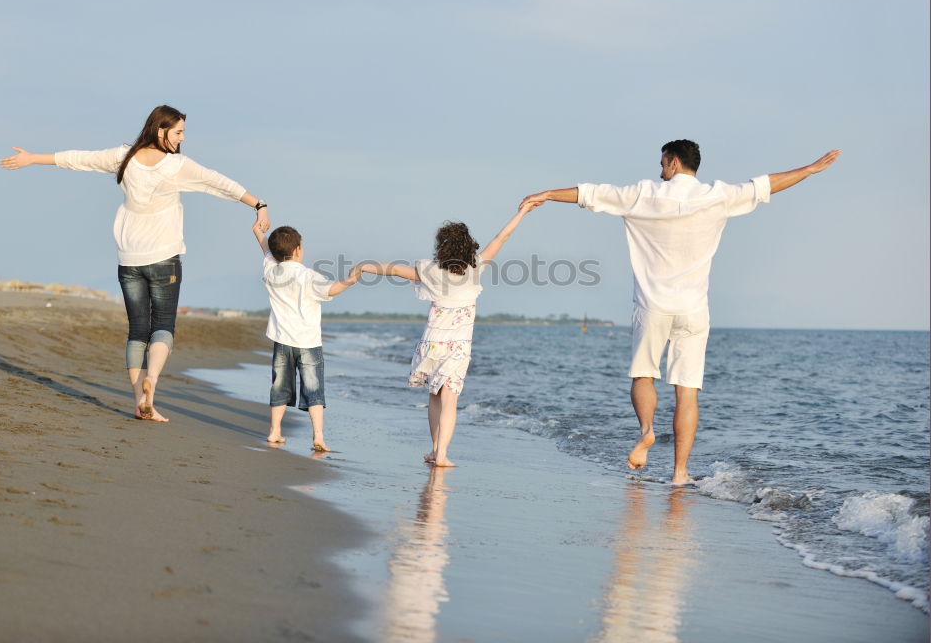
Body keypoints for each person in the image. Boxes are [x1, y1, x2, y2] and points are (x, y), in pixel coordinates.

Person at [522, 141, 840, 484]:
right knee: (686, 391)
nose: (659, 171)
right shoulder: (717, 195)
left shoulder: (643, 195)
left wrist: (548, 194)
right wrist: (809, 169)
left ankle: (646, 432)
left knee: (643, 375)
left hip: (652, 306)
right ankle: (679, 473)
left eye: (662, 164)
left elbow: (591, 193)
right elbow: (765, 185)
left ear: (673, 163)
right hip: (693, 309)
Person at [0, 105, 271, 423]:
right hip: (164, 258)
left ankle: (139, 401)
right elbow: (219, 182)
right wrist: (259, 204)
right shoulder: (177, 165)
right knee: (163, 327)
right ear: (161, 130)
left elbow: (78, 159)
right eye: (179, 132)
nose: (183, 138)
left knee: (137, 330)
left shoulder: (123, 156)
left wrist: (33, 158)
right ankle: (152, 384)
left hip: (128, 260)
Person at [359, 201, 540, 467]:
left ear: (441, 246)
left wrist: (364, 267)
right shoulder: (476, 267)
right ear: (468, 246)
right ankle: (442, 454)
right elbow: (502, 237)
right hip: (457, 346)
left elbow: (395, 270)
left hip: (432, 342)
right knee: (450, 399)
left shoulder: (431, 270)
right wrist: (522, 212)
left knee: (434, 396)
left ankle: (434, 450)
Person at [253, 223, 362, 451]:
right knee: (314, 389)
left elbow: (266, 249)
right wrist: (350, 281)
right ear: (298, 250)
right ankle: (318, 436)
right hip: (308, 343)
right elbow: (331, 289)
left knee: (279, 386)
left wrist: (258, 231)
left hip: (282, 340)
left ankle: (274, 431)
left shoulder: (271, 269)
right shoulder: (308, 276)